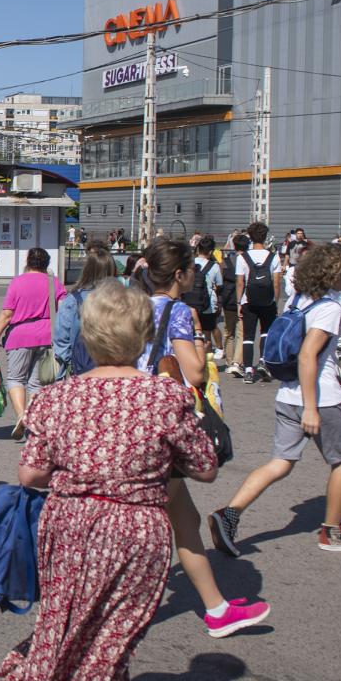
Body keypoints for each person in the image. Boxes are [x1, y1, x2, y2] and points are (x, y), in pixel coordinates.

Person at [0, 280, 218, 681]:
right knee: (102, 655)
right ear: (143, 337)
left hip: (69, 527)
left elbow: (29, 475)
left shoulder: (56, 398)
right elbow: (205, 467)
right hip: (134, 531)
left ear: (89, 336)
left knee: (99, 648)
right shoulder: (163, 397)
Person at [138, 239, 272, 638]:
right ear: (179, 274)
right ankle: (102, 605)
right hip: (167, 423)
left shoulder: (138, 305)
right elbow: (195, 373)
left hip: (142, 414)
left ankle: (216, 608)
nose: (195, 273)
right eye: (190, 269)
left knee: (188, 519)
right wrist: (199, 338)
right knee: (141, 526)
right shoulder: (178, 311)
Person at [211, 242, 341, 554]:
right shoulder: (329, 307)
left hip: (287, 394)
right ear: (337, 271)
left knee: (281, 463)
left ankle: (229, 514)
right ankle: (331, 532)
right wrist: (312, 408)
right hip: (321, 397)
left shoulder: (299, 299)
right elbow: (307, 356)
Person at [0, 248, 66, 440]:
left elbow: (7, 313)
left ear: (28, 261)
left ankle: (22, 416)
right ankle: (32, 419)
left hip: (20, 335)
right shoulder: (54, 282)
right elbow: (63, 309)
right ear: (46, 264)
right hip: (47, 336)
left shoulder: (18, 282)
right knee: (36, 382)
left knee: (15, 378)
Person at [51, 243, 117, 375]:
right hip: (114, 367)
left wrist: (70, 362)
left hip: (81, 367)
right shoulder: (120, 297)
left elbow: (60, 337)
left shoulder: (74, 299)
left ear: (87, 270)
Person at [235, 221, 282, 384]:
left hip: (248, 301)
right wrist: (275, 301)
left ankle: (248, 371)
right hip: (267, 301)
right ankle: (262, 361)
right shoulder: (273, 257)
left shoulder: (242, 257)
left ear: (250, 237)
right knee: (266, 332)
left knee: (248, 336)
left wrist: (239, 302)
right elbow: (276, 283)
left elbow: (240, 282)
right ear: (265, 237)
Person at [187, 236, 224, 354]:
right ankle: (207, 361)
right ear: (211, 251)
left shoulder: (189, 263)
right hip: (208, 304)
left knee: (190, 333)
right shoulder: (214, 266)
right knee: (206, 335)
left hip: (189, 303)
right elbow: (219, 285)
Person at [221, 233, 247, 374]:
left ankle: (229, 362)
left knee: (228, 331)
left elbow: (221, 280)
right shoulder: (248, 261)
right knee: (241, 332)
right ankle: (237, 362)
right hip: (242, 299)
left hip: (227, 298)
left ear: (234, 246)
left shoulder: (226, 261)